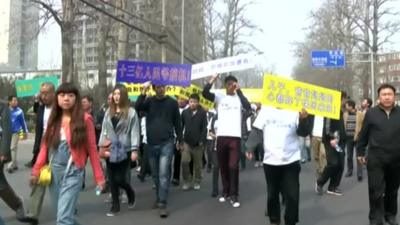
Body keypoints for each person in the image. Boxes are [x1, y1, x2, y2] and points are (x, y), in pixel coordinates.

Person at [30, 83, 105, 225]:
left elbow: (92, 149)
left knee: (63, 219)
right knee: (64, 214)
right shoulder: (53, 119)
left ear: (76, 99)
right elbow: (44, 148)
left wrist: (99, 177)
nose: (66, 99)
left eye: (71, 95)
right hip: (54, 172)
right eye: (62, 95)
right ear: (57, 98)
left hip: (74, 172)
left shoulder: (85, 119)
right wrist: (35, 171)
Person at [245, 107, 310, 225]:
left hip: (291, 160)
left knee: (293, 195)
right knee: (272, 194)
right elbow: (257, 130)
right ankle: (274, 220)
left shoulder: (295, 110)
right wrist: (250, 146)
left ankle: (290, 221)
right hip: (271, 161)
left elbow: (303, 132)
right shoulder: (266, 109)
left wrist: (303, 120)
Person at [202, 74, 251, 208]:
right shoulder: (219, 97)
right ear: (225, 86)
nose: (231, 86)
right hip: (222, 136)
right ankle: (226, 192)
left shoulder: (239, 98)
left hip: (235, 137)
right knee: (223, 167)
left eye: (233, 84)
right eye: (228, 84)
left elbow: (248, 107)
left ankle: (234, 195)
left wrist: (239, 91)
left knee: (233, 166)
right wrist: (212, 79)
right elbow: (205, 93)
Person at [135, 81, 183, 218]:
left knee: (163, 173)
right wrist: (143, 91)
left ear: (166, 88)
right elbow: (137, 108)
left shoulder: (172, 103)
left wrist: (180, 140)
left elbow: (177, 122)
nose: (161, 89)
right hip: (151, 143)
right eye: (158, 87)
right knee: (156, 175)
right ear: (154, 88)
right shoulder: (149, 102)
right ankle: (158, 197)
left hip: (167, 142)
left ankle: (162, 203)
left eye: (163, 87)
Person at [357, 84, 400, 225]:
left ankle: (390, 214)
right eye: (384, 94)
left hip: (396, 159)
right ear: (379, 97)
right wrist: (360, 152)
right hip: (376, 159)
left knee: (392, 190)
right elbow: (363, 134)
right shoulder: (371, 113)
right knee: (375, 190)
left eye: (389, 94)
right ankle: (375, 218)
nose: (387, 97)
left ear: (394, 96)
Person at [98, 85, 139, 216]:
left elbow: (134, 132)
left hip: (124, 149)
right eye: (115, 94)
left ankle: (130, 192)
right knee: (112, 178)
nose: (116, 96)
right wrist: (101, 147)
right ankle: (115, 206)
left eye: (119, 94)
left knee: (120, 178)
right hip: (110, 148)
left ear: (124, 96)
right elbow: (104, 131)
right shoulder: (108, 112)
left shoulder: (131, 112)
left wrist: (134, 150)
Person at [20, 82, 55, 225]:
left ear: (53, 93)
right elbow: (39, 130)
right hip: (43, 147)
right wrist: (37, 149)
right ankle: (33, 215)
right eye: (42, 92)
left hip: (58, 148)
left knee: (58, 183)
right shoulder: (40, 108)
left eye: (46, 93)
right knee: (39, 179)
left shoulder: (60, 108)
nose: (43, 95)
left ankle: (67, 207)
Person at [0, 99, 28, 223]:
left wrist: (4, 152)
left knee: (0, 185)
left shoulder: (3, 106)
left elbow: (7, 128)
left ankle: (17, 204)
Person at [315, 101, 346, 196]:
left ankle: (332, 187)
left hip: (340, 142)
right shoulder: (330, 111)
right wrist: (333, 137)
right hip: (331, 142)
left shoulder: (340, 112)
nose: (343, 102)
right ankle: (320, 182)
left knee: (340, 164)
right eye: (342, 99)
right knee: (333, 163)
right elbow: (328, 129)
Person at [181, 93, 207, 191]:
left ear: (198, 102)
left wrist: (201, 140)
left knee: (198, 164)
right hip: (186, 142)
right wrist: (180, 140)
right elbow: (181, 126)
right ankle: (187, 181)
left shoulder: (202, 113)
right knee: (184, 161)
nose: (193, 104)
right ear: (189, 101)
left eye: (195, 102)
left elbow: (204, 128)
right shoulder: (185, 112)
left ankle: (197, 181)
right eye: (191, 102)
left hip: (198, 143)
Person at [343, 99, 364, 181]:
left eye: (347, 105)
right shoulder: (345, 114)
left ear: (351, 106)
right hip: (348, 138)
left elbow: (363, 125)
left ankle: (359, 173)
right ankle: (349, 170)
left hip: (358, 138)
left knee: (359, 156)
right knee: (349, 156)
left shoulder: (360, 114)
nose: (345, 106)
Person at [7, 95, 28, 173]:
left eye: (16, 101)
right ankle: (14, 164)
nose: (16, 102)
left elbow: (23, 122)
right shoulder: (5, 110)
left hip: (16, 131)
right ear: (9, 102)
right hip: (6, 132)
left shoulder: (20, 111)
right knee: (9, 148)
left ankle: (11, 165)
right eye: (14, 100)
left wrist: (25, 132)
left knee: (13, 147)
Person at [171, 96, 188, 186]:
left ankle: (185, 177)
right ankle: (174, 177)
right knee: (171, 159)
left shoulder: (188, 110)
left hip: (184, 138)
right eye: (179, 99)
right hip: (172, 137)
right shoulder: (173, 109)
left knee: (182, 159)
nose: (181, 101)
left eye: (183, 99)